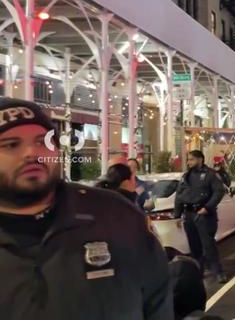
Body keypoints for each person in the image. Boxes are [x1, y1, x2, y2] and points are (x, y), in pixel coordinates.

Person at [0, 98, 172, 319]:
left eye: (43, 142)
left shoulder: (116, 215)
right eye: (11, 144)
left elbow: (158, 300)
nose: (32, 153)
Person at [174, 150, 228, 284]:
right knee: (194, 246)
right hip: (189, 214)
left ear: (200, 159)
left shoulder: (210, 175)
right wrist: (177, 215)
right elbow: (179, 196)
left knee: (208, 245)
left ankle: (218, 272)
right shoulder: (186, 176)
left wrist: (207, 207)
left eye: (191, 159)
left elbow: (218, 192)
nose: (188, 162)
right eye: (188, 159)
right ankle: (199, 271)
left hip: (204, 214)